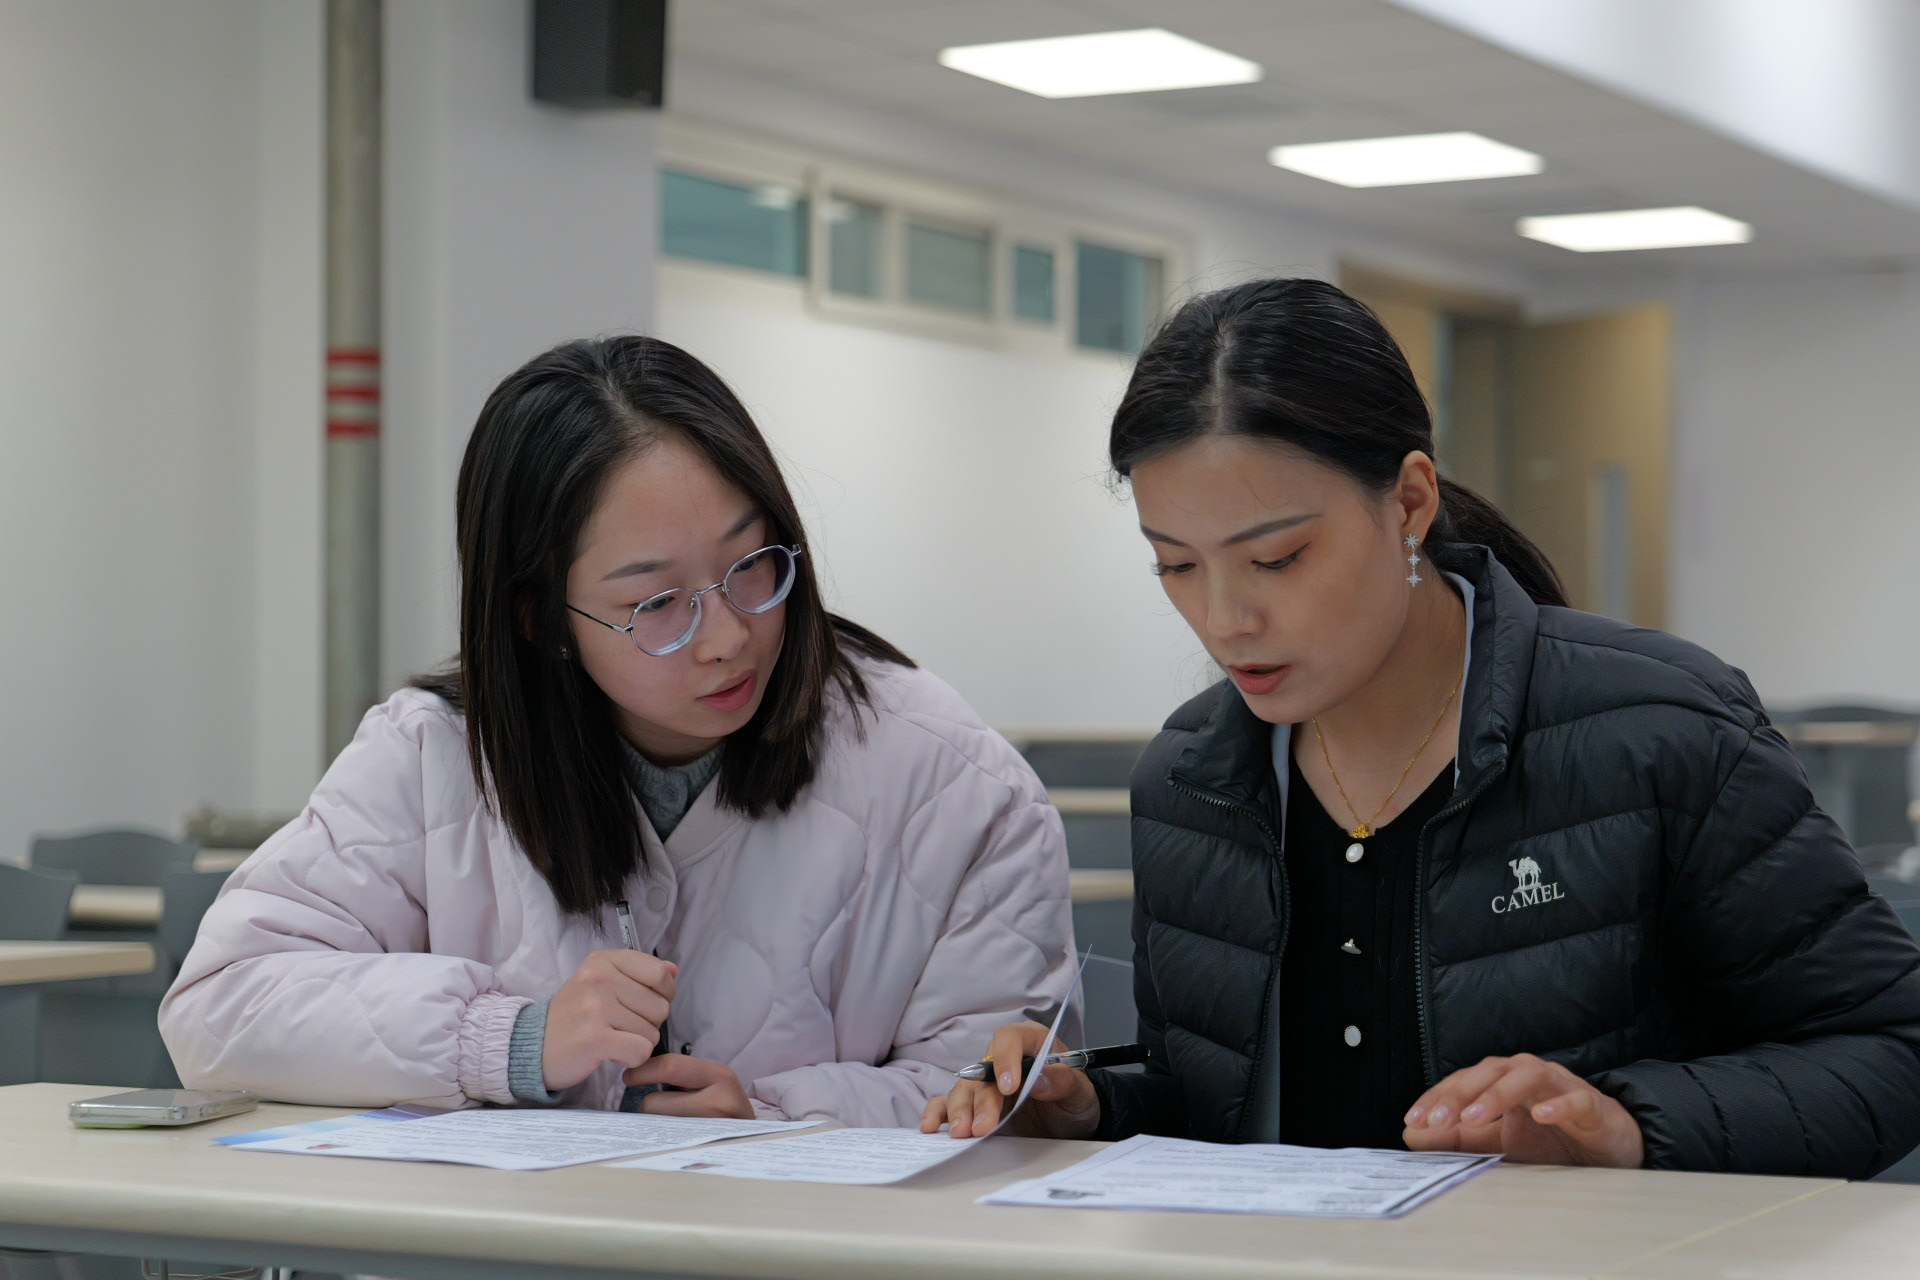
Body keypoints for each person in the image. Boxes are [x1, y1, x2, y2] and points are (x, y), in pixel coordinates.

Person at [925, 277, 1920, 1177]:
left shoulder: (1658, 728)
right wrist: (1088, 1108)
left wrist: (1627, 1127)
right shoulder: (1190, 779)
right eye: (1176, 565)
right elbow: (1216, 1106)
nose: (1225, 619)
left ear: (1408, 501)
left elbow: (1889, 1046)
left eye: (1277, 559)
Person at [161, 336, 1075, 1123]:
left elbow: (1003, 1093)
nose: (727, 637)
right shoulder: (434, 758)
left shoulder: (955, 783)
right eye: (656, 604)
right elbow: (220, 1006)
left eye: (752, 564)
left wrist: (776, 1118)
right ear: (540, 619)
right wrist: (512, 1040)